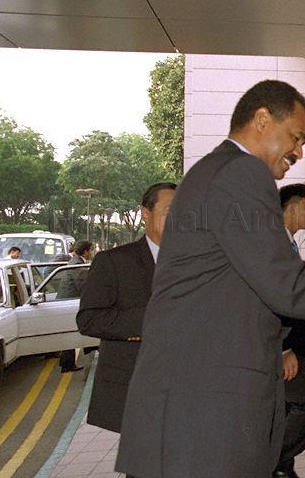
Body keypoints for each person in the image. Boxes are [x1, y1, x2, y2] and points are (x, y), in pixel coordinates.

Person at [116, 80, 305, 478]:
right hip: (205, 409)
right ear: (261, 120)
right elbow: (285, 284)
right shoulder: (241, 173)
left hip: (196, 404)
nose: (299, 151)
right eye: (295, 136)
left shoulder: (215, 172)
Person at [76, 182, 177, 434]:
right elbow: (89, 319)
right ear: (145, 213)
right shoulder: (114, 262)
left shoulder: (196, 264)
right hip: (136, 389)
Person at [273, 183, 305, 478]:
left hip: (294, 346)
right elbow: (267, 300)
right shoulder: (274, 246)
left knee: (284, 410)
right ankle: (267, 462)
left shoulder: (288, 244)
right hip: (282, 348)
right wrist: (282, 348)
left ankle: (281, 469)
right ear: (292, 208)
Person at [58, 240, 93, 373]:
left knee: (70, 330)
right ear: (85, 251)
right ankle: (67, 364)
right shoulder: (77, 265)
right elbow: (83, 286)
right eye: (90, 250)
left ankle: (66, 362)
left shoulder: (76, 262)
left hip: (68, 300)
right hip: (68, 301)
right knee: (71, 332)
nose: (91, 253)